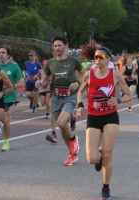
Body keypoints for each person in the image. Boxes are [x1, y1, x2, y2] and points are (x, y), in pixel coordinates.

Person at [77, 46, 132, 200]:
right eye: (96, 58)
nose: (98, 61)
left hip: (110, 117)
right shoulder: (89, 75)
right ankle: (99, 155)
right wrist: (80, 106)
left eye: (101, 58)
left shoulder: (115, 75)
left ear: (109, 59)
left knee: (108, 155)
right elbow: (80, 91)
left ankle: (106, 187)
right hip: (94, 117)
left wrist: (119, 100)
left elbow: (129, 96)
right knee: (91, 159)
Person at [35, 36, 85, 165]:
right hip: (56, 96)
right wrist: (40, 83)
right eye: (55, 46)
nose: (57, 48)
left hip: (70, 95)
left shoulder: (73, 60)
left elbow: (84, 74)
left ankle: (74, 140)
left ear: (66, 46)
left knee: (62, 123)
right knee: (62, 128)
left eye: (59, 45)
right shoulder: (51, 62)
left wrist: (77, 82)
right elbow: (46, 78)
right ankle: (72, 154)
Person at [0, 45, 25, 151]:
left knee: (6, 119)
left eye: (3, 53)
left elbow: (22, 82)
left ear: (8, 55)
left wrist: (12, 86)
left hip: (9, 97)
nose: (0, 54)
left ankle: (6, 142)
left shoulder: (14, 67)